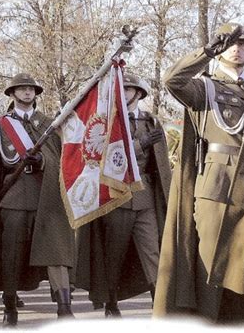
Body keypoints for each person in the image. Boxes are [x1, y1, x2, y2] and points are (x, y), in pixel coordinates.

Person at [154, 23, 244, 322]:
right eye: (232, 43)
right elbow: (172, 80)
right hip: (217, 187)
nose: (238, 48)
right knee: (212, 266)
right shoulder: (204, 88)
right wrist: (207, 51)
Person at [0, 73, 75, 326]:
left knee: (56, 251)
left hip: (48, 196)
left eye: (31, 89)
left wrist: (43, 160)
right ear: (12, 94)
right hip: (15, 196)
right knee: (11, 255)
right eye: (21, 89)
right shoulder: (2, 125)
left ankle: (65, 308)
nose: (27, 93)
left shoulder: (49, 123)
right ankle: (10, 306)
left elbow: (61, 157)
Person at [74, 74, 171, 317]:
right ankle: (111, 303)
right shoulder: (107, 122)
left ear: (138, 94)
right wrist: (141, 144)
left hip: (145, 196)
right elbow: (105, 157)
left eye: (128, 89)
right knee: (113, 254)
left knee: (153, 252)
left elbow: (159, 164)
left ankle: (160, 303)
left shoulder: (150, 121)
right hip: (116, 196)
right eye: (120, 88)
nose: (123, 92)